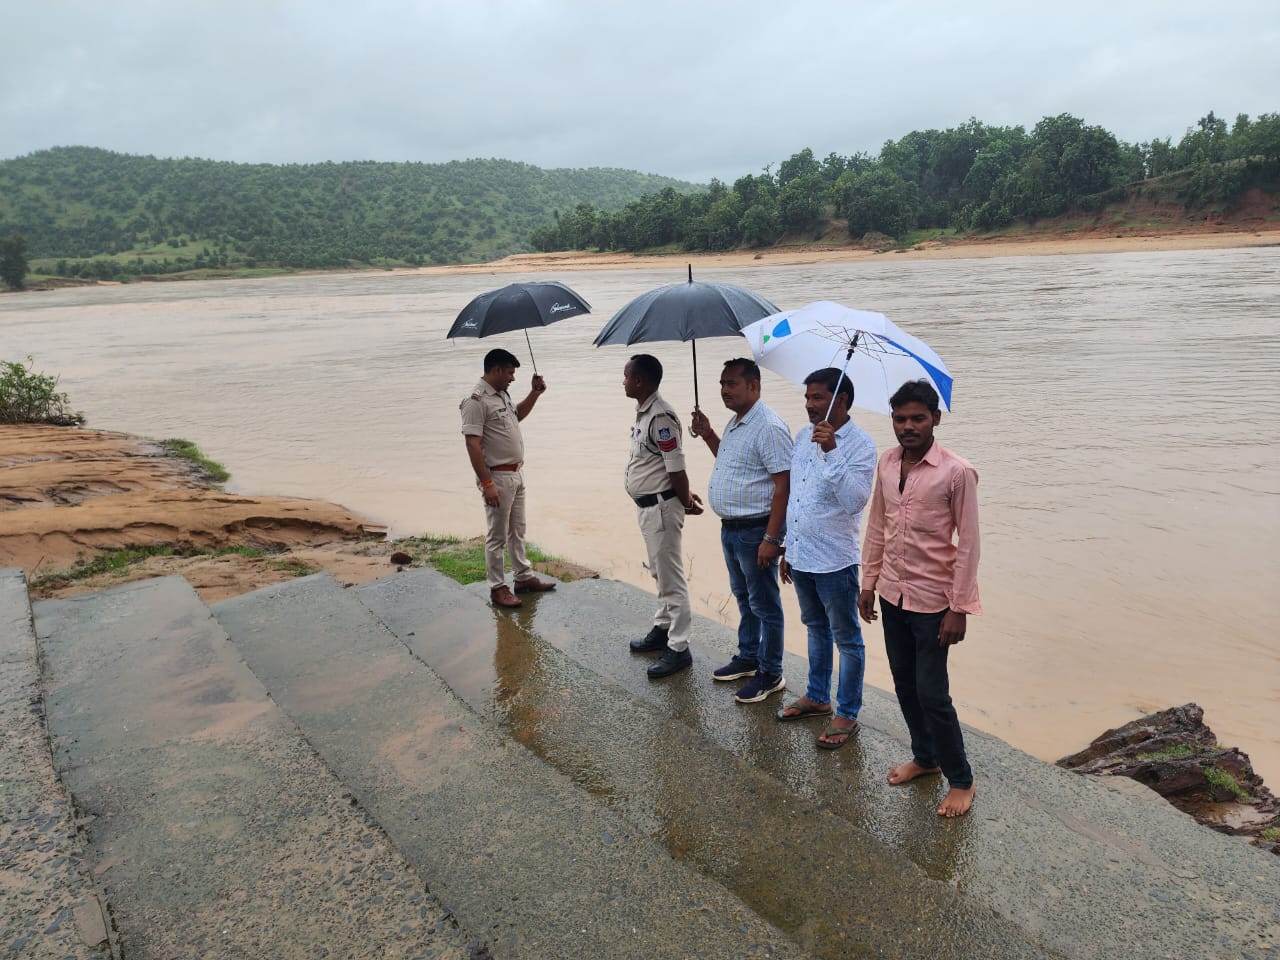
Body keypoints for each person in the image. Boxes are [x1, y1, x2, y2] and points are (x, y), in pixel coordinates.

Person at [858, 379, 981, 818]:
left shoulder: (956, 472)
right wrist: (868, 582)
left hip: (934, 602)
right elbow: (877, 525)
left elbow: (968, 544)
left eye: (917, 418)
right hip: (893, 593)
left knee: (933, 693)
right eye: (899, 418)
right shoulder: (887, 464)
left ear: (935, 419)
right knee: (905, 684)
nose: (907, 427)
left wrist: (959, 607)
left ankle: (961, 779)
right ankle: (925, 759)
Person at [775, 368, 877, 749]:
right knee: (814, 629)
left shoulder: (861, 445)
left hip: (836, 561)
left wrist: (832, 450)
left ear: (842, 400)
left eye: (817, 397)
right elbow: (796, 496)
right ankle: (818, 696)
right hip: (802, 556)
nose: (809, 405)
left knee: (847, 639)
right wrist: (788, 545)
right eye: (807, 398)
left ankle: (847, 713)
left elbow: (855, 502)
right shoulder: (802, 438)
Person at [690, 358, 793, 704]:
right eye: (722, 383)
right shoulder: (737, 423)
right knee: (745, 597)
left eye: (732, 383)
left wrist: (771, 538)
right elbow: (729, 462)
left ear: (754, 386)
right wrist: (707, 434)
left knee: (765, 603)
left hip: (755, 530)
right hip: (732, 529)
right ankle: (749, 656)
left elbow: (784, 485)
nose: (724, 390)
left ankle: (771, 671)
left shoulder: (769, 427)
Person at [621, 354, 705, 678]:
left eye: (626, 376)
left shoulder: (661, 416)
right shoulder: (644, 413)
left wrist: (684, 500)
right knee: (659, 571)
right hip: (648, 507)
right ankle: (663, 627)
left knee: (671, 577)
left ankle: (679, 647)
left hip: (661, 508)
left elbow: (676, 468)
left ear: (640, 381)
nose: (623, 381)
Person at [459, 347, 557, 609]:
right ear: (497, 369)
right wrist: (487, 483)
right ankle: (497, 587)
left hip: (516, 474)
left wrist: (534, 394)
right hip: (497, 478)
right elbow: (472, 444)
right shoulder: (475, 400)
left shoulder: (502, 394)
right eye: (511, 372)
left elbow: (518, 416)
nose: (513, 378)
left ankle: (523, 578)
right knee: (497, 536)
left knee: (517, 530)